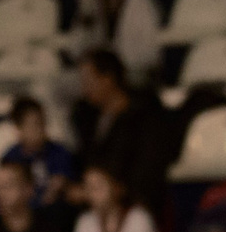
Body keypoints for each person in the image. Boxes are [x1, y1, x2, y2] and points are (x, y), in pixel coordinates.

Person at [70, 50, 174, 214]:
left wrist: (113, 192)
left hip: (136, 208)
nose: (84, 90)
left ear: (108, 78)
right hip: (96, 210)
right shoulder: (87, 118)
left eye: (88, 81)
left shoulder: (145, 114)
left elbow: (149, 169)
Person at [3, 97, 75, 208]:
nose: (41, 129)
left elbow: (62, 184)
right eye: (34, 124)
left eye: (42, 122)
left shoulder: (59, 153)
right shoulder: (10, 159)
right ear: (19, 129)